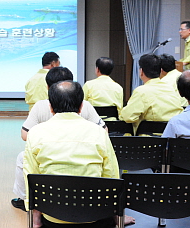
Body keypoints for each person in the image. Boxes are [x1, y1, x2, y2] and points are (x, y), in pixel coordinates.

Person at [24, 81, 119, 228]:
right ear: (81, 106)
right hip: (94, 214)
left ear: (50, 107)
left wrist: (35, 213)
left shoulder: (35, 133)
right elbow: (111, 175)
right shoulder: (99, 132)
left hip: (53, 215)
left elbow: (30, 176)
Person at [12, 67, 105, 211]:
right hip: (89, 198)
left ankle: (26, 200)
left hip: (50, 186)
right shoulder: (85, 105)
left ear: (49, 88)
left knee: (24, 158)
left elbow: (25, 135)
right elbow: (104, 131)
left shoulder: (41, 107)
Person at [120, 54, 184, 134]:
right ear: (161, 71)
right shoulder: (170, 89)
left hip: (149, 142)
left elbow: (127, 117)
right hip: (172, 139)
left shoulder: (141, 91)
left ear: (141, 72)